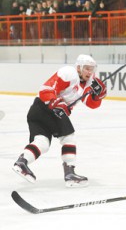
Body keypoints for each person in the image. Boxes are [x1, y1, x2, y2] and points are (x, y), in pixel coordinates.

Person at [12, 54, 107, 187]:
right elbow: (45, 90)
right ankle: (69, 174)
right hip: (46, 108)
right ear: (79, 67)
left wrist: (99, 96)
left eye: (92, 68)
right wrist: (57, 103)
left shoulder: (89, 83)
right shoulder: (69, 73)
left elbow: (91, 104)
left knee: (42, 143)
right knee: (69, 138)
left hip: (39, 111)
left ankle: (21, 163)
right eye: (87, 68)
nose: (90, 72)